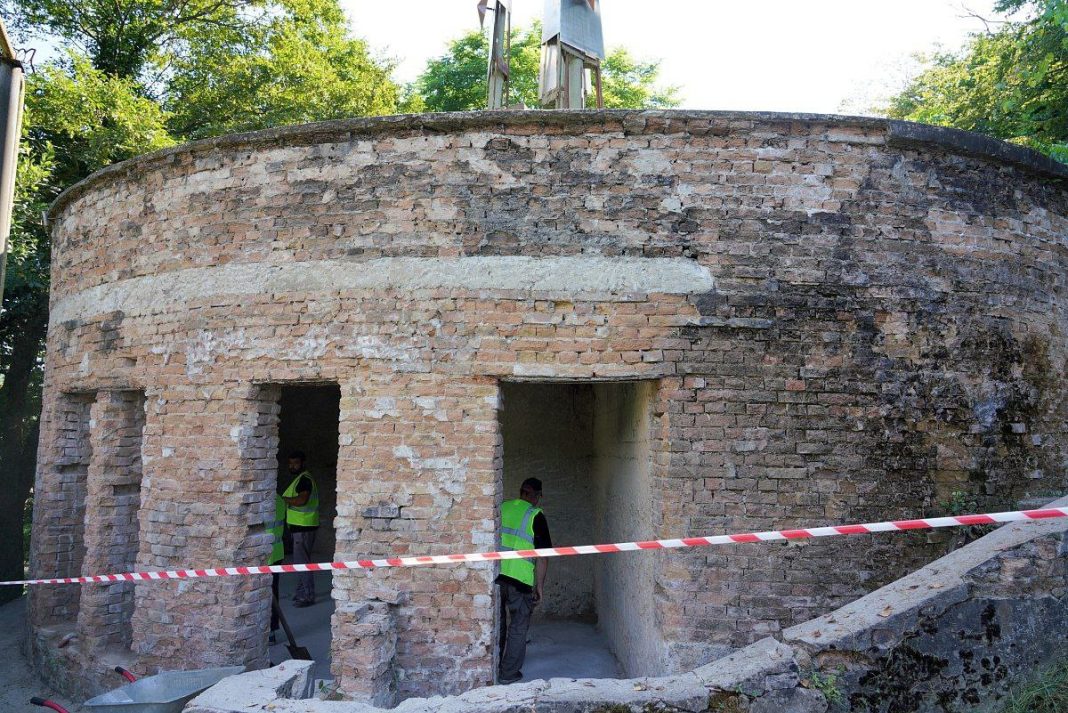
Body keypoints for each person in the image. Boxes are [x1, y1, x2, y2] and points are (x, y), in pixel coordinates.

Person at [496, 477, 551, 684]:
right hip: (520, 580)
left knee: (498, 624)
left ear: (521, 492)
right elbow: (544, 556)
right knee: (518, 626)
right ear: (537, 496)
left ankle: (493, 666)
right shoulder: (536, 515)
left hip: (496, 576)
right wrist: (540, 587)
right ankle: (508, 673)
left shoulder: (502, 507)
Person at [281, 450, 319, 608]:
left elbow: (302, 501)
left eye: (296, 463)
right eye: (290, 463)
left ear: (303, 463)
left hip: (303, 527)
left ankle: (307, 596)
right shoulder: (300, 478)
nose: (292, 466)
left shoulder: (304, 480)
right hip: (303, 527)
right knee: (302, 562)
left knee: (302, 563)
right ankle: (301, 591)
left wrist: (283, 500)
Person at [268, 492, 285, 643]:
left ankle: (269, 630)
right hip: (277, 552)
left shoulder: (264, 501)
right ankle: (271, 630)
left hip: (265, 554)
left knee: (265, 594)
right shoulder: (279, 499)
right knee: (273, 591)